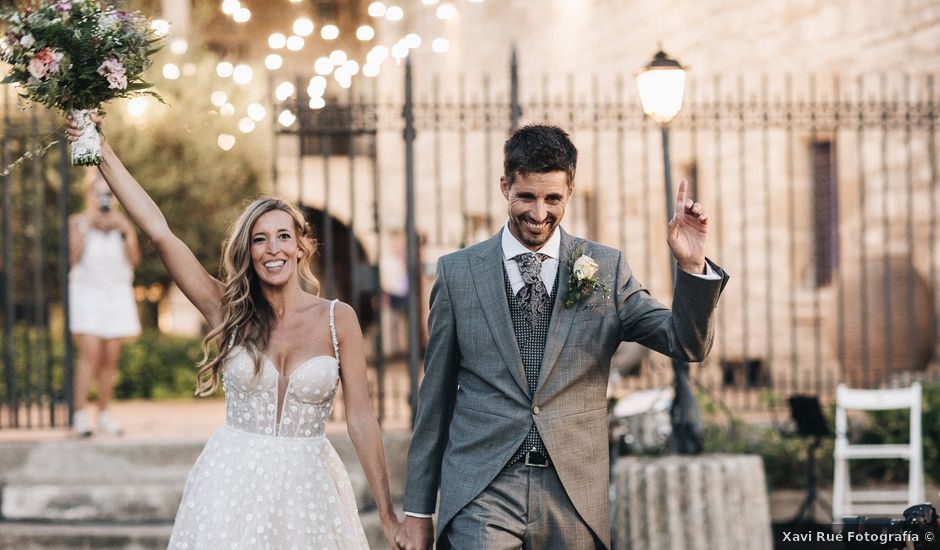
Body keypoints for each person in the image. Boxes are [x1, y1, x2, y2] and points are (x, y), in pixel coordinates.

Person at [67, 113, 401, 549]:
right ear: (248, 250)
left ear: (301, 247)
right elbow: (160, 233)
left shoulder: (339, 320)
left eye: (283, 236)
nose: (273, 249)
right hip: (231, 486)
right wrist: (103, 152)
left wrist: (389, 515)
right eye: (260, 239)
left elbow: (360, 418)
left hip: (309, 490)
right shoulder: (228, 309)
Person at [396, 124, 729, 549]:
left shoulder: (604, 268)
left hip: (572, 493)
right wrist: (418, 511)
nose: (539, 214)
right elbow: (436, 398)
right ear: (505, 187)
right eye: (527, 197)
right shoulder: (458, 273)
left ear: (569, 191)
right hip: (482, 489)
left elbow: (686, 343)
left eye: (553, 198)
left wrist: (692, 267)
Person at [68, 169, 142, 436]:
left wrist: (125, 232)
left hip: (117, 294)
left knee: (110, 359)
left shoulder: (123, 224)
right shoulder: (77, 221)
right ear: (89, 194)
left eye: (107, 194)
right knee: (89, 355)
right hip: (87, 294)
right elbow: (73, 258)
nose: (103, 199)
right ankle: (79, 414)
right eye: (98, 193)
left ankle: (103, 412)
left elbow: (134, 261)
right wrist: (88, 225)